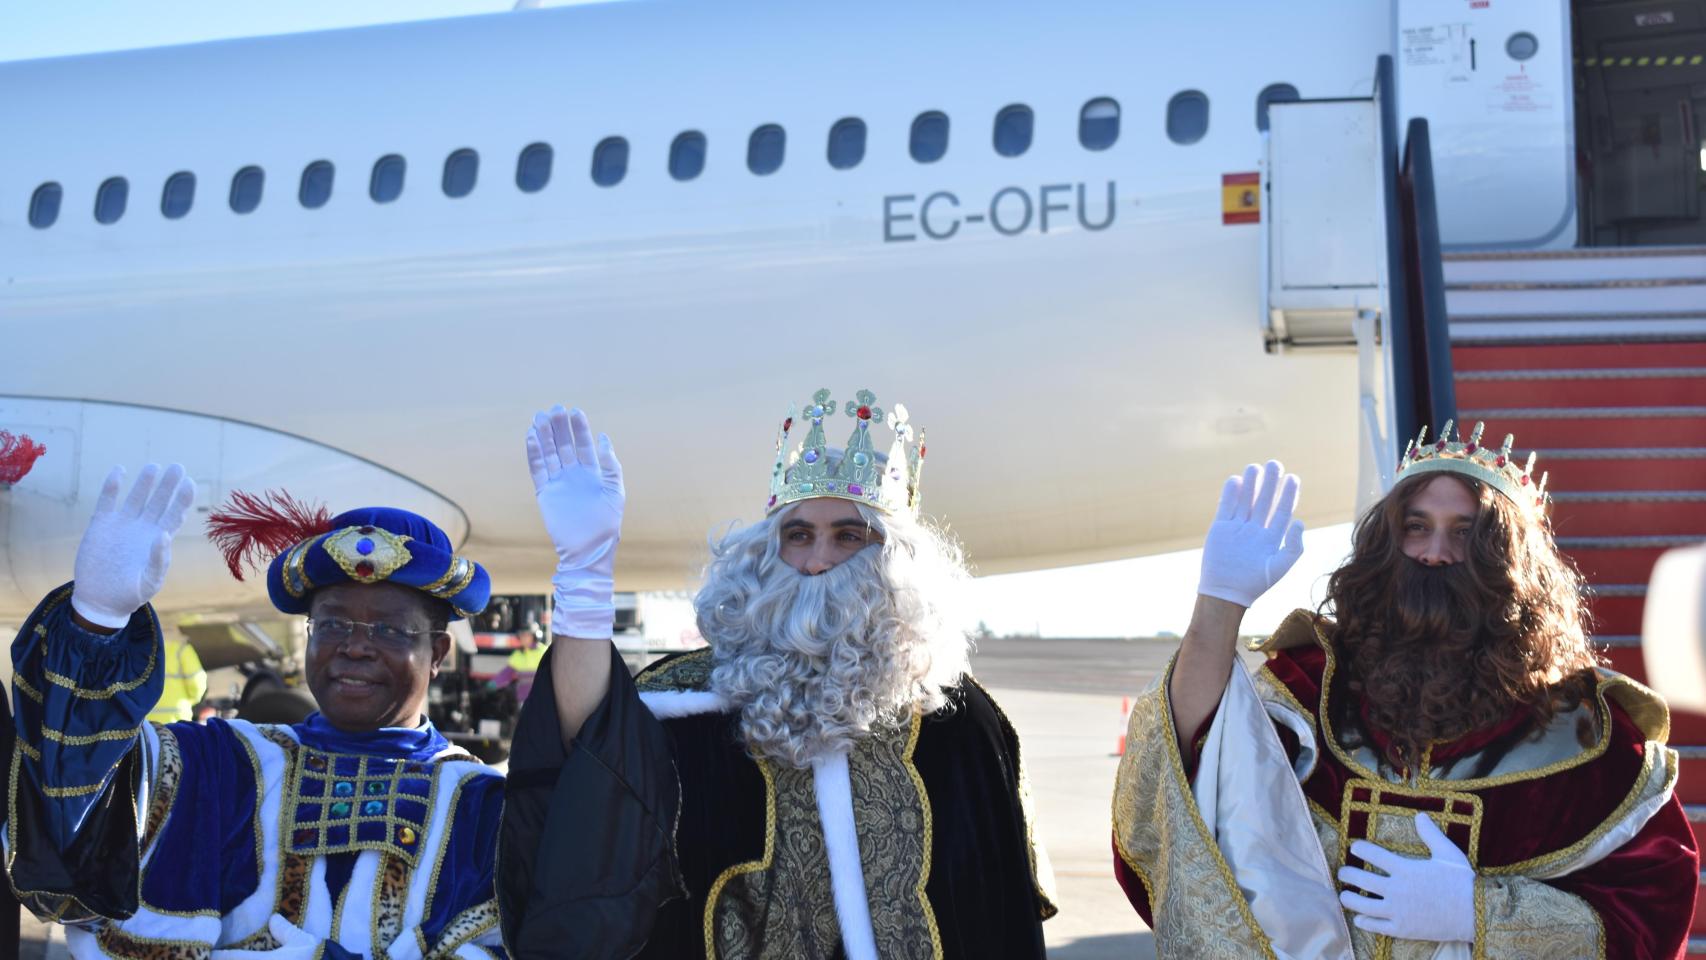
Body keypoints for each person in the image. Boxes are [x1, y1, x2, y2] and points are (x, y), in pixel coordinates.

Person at [1111, 423, 1700, 958]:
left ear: (1512, 561)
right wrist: (1219, 602)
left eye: (1465, 533)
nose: (1435, 553)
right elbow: (1189, 766)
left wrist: (1483, 915)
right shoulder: (1311, 687)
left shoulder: (1590, 739)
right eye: (1416, 527)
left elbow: (1648, 917)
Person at [499, 396, 1056, 959]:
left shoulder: (958, 722)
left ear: (899, 561)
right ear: (766, 553)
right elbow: (590, 758)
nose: (817, 561)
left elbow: (1000, 916)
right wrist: (586, 576)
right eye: (797, 535)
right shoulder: (691, 699)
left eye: (848, 536)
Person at [7, 468, 507, 958]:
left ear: (439, 653)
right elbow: (78, 788)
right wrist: (96, 624)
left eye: (389, 630)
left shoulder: (481, 807)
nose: (355, 647)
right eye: (333, 624)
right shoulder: (226, 766)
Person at [146, 629, 206, 724]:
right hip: (176, 719)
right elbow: (197, 683)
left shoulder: (142, 649)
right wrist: (191, 700)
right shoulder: (182, 650)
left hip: (145, 721)